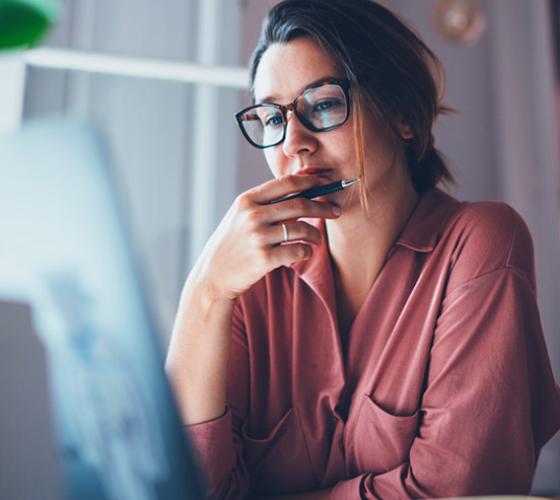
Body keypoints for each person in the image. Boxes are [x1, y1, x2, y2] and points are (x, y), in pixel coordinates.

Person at [165, 0, 560, 498]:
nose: (294, 144)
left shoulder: (479, 243)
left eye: (324, 104)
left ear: (402, 115)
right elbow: (183, 486)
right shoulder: (249, 280)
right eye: (271, 118)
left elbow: (455, 490)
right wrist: (205, 293)